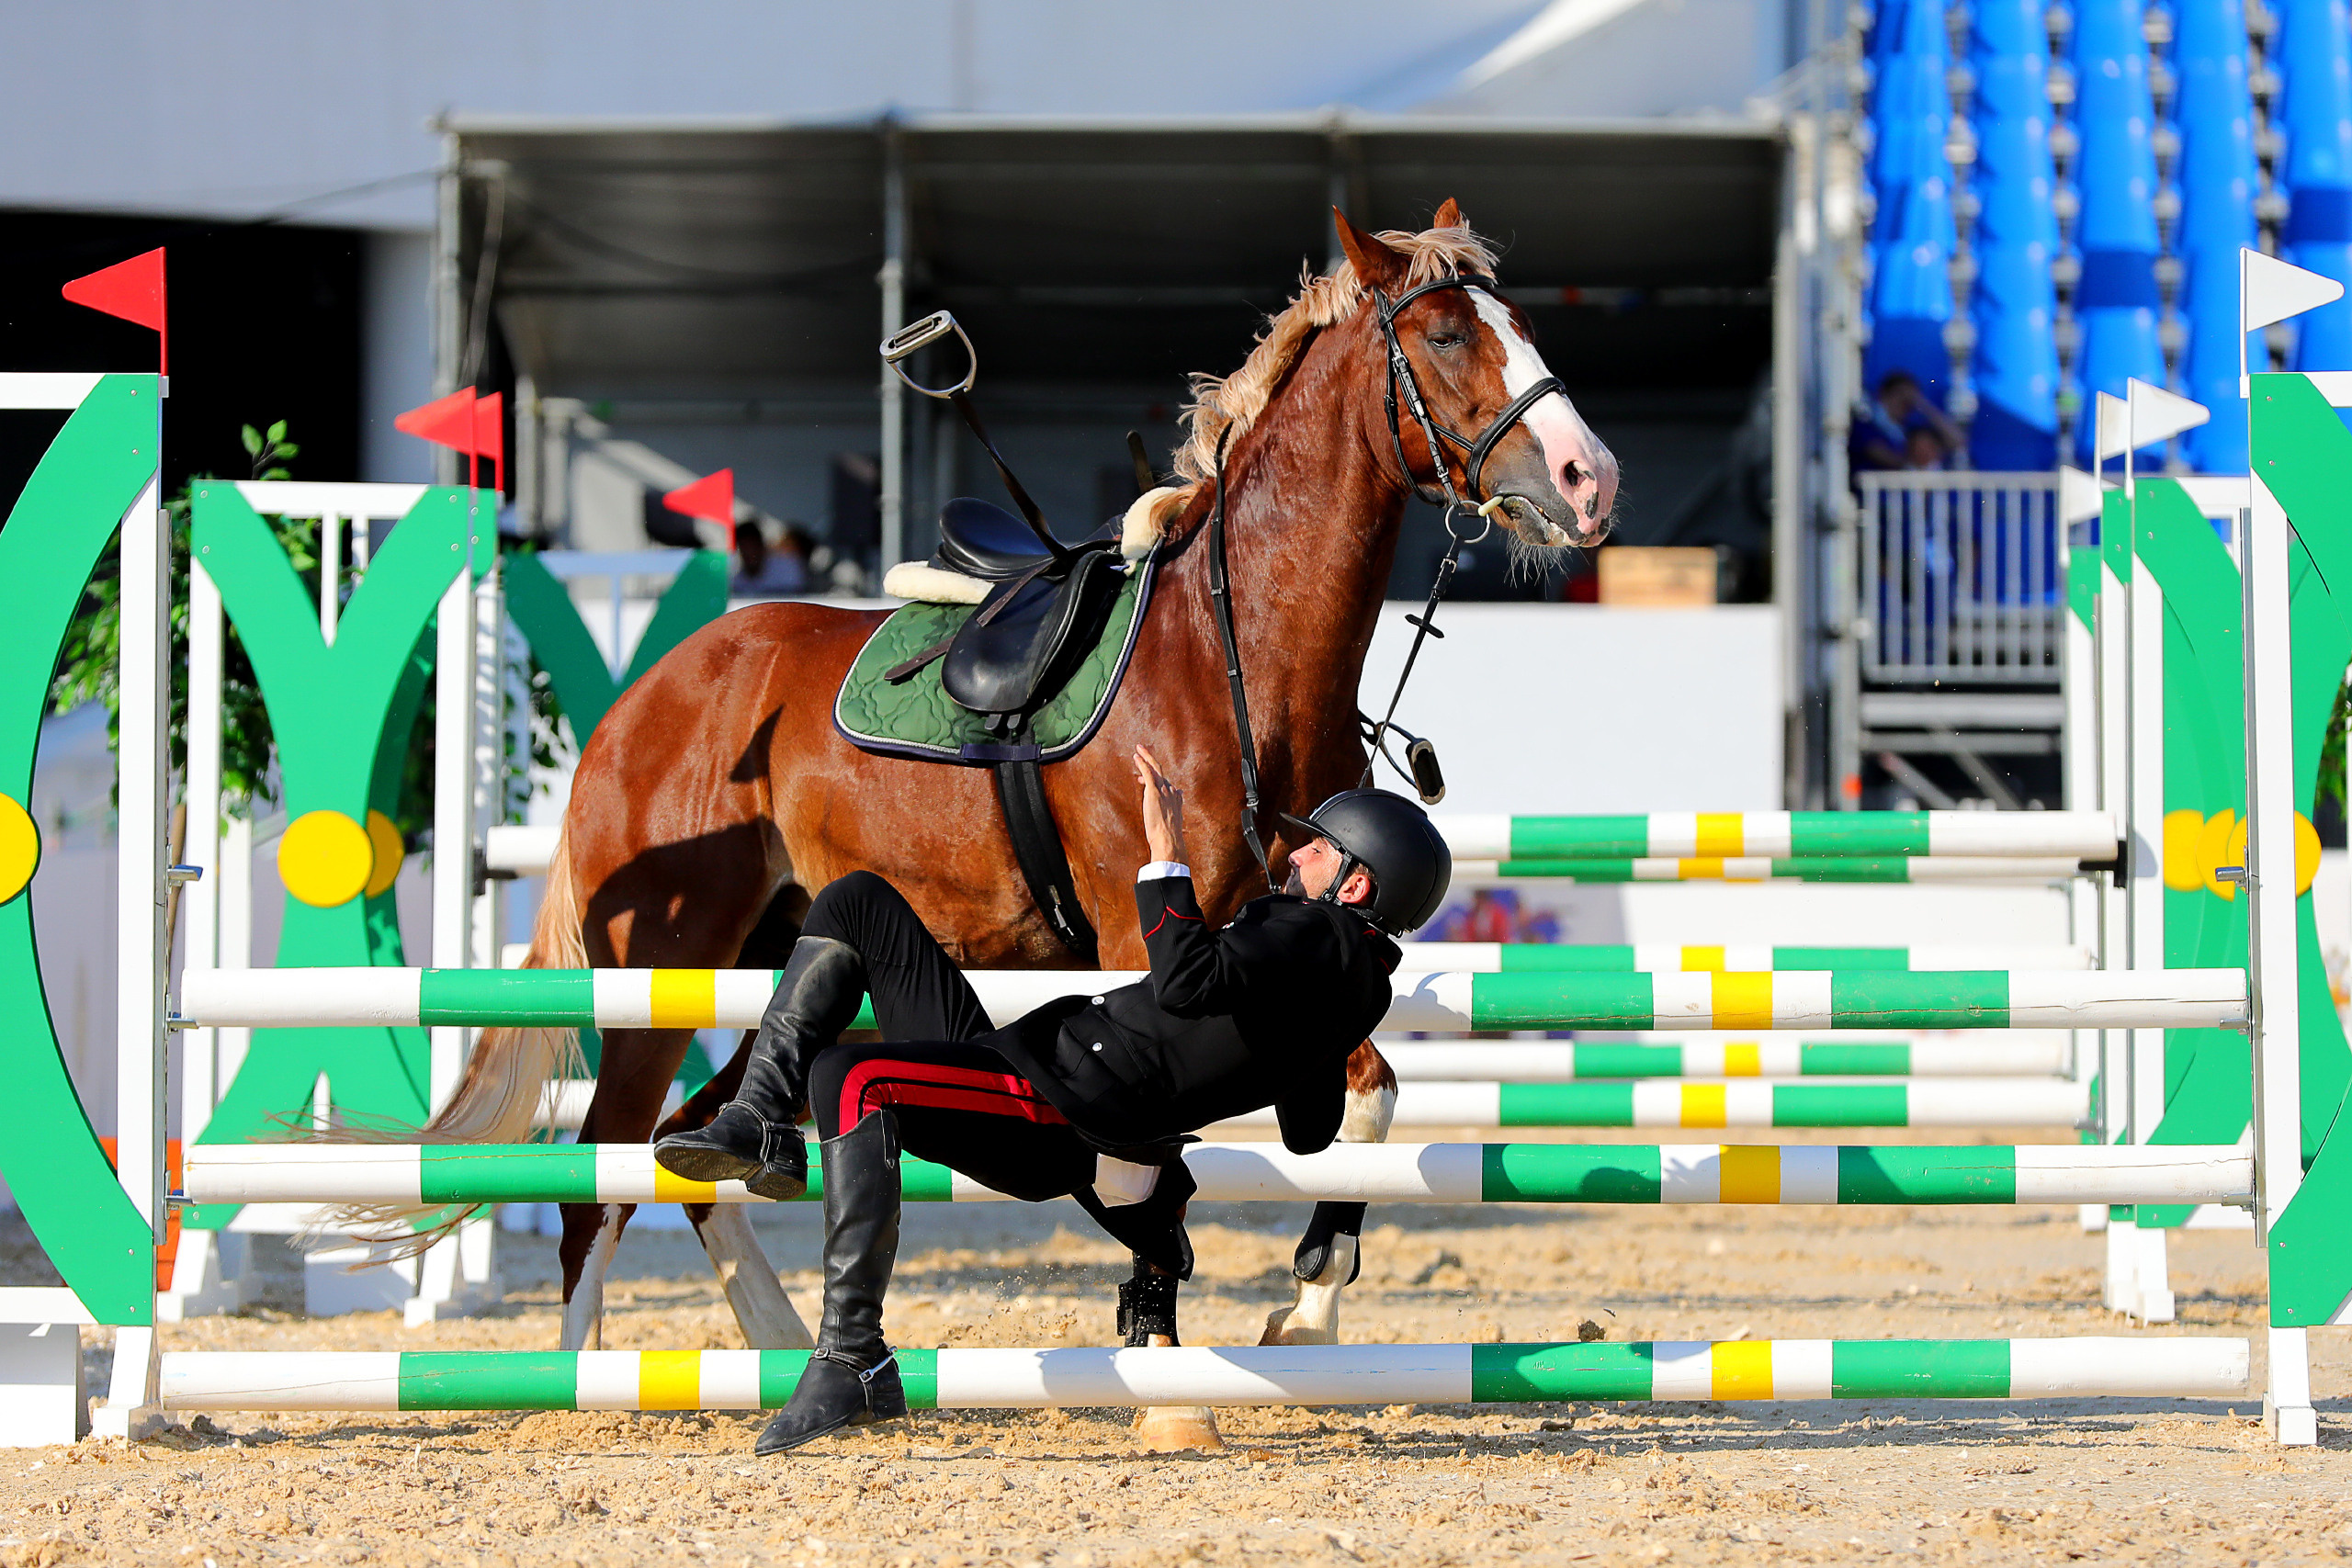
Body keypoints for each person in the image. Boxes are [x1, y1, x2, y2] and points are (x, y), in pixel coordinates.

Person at [652, 747, 1452, 1455]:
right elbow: (1310, 1131)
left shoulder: (1313, 935)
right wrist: (1305, 1045)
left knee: (852, 1078)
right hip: (1037, 1072)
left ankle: (853, 1353)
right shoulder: (1345, 983)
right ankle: (759, 1117)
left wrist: (1167, 854)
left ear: (1354, 883)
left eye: (1318, 848)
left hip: (1050, 1106)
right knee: (856, 901)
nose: (1295, 852)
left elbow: (1184, 979)